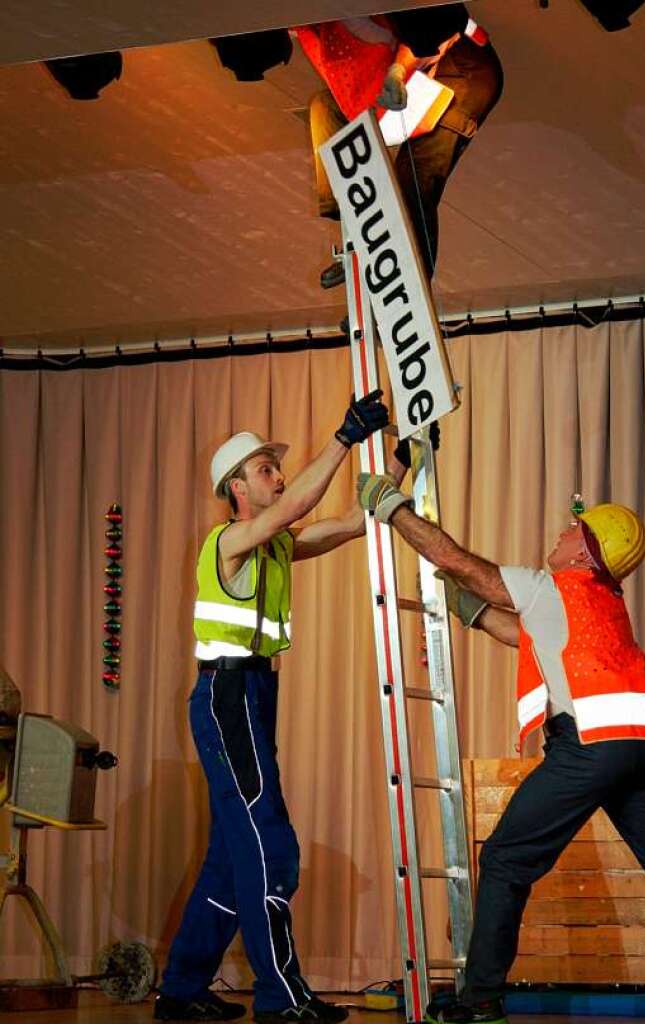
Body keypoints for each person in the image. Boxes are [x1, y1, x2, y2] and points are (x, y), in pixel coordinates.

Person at [356, 474, 645, 1024]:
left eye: (575, 528)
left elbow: (458, 561)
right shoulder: (602, 602)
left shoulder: (554, 587)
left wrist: (394, 509)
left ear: (586, 552)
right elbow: (526, 633)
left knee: (505, 859)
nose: (563, 530)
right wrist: (474, 614)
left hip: (589, 748)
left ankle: (479, 999)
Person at [154, 390, 394, 1023]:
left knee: (232, 861)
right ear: (236, 487)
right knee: (270, 846)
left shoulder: (275, 543)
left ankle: (179, 991)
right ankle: (281, 997)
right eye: (265, 469)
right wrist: (343, 438)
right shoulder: (230, 539)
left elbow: (351, 523)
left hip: (253, 694)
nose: (278, 476)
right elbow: (299, 504)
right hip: (227, 695)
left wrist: (406, 464)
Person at [295, 3, 503, 288]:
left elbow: (433, 29)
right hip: (401, 74)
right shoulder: (310, 19)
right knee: (325, 107)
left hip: (458, 69)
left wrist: (397, 71)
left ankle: (409, 288)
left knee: (414, 179)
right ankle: (357, 233)